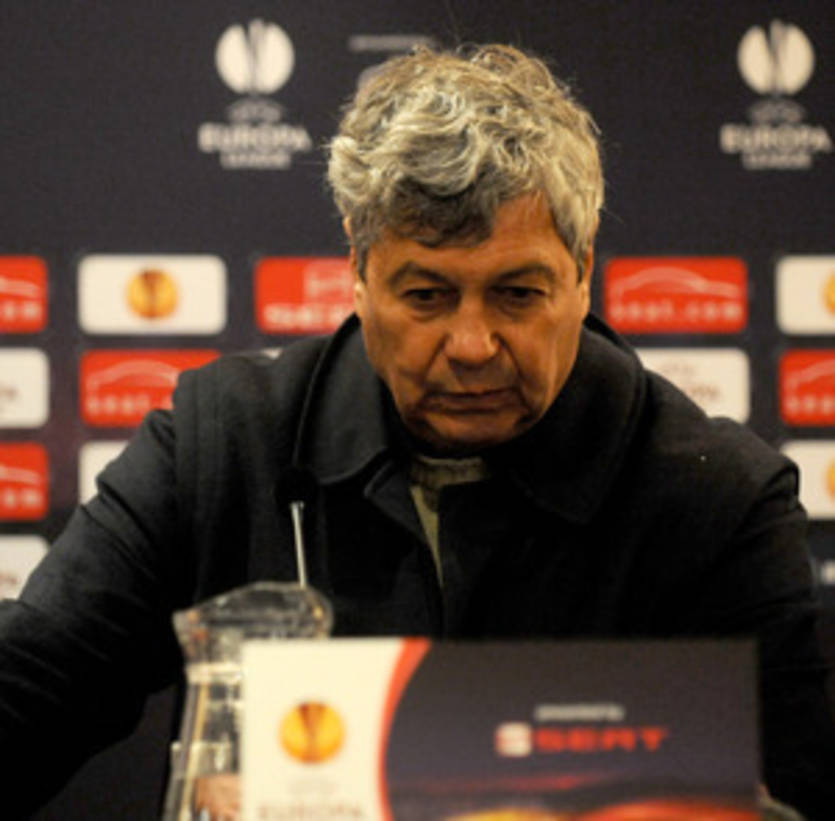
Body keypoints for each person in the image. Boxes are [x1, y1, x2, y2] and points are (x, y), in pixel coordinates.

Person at [1, 43, 833, 819]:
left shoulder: (716, 497)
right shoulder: (222, 445)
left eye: (517, 294)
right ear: (358, 274)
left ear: (582, 273)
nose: (471, 346)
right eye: (427, 296)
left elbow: (800, 791)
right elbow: (30, 690)